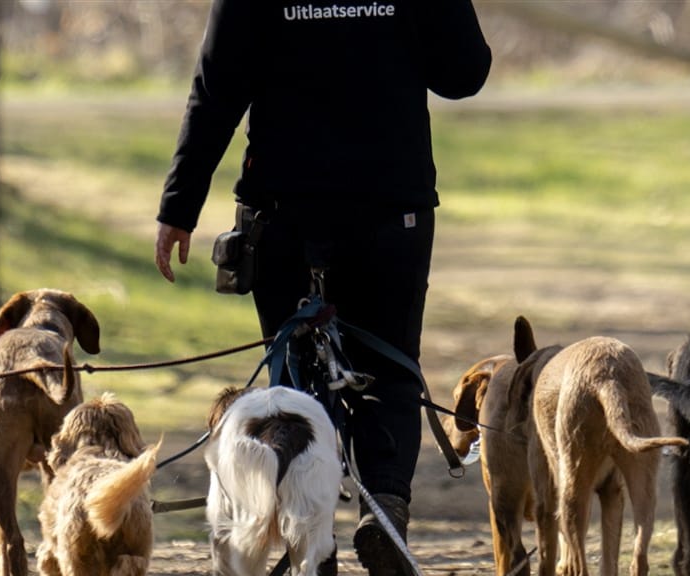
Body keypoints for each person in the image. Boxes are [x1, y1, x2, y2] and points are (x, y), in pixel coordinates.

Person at [154, 2, 491, 574]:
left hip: (284, 208)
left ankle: (309, 537)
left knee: (291, 379)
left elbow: (217, 87)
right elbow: (464, 74)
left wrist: (179, 207)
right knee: (389, 368)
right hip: (390, 205)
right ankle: (384, 504)